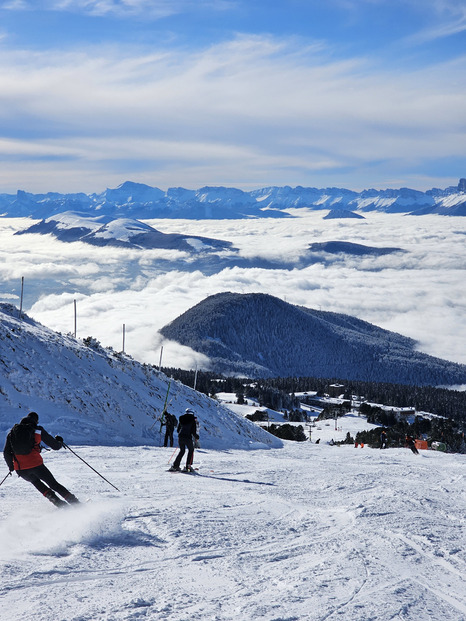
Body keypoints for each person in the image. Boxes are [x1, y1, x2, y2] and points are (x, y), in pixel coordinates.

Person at [3, 411, 79, 507]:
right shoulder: (37, 430)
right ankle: (76, 504)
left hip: (21, 469)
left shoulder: (12, 433)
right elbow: (55, 446)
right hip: (36, 465)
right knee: (53, 484)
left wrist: (11, 466)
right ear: (36, 421)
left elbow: (6, 452)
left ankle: (60, 504)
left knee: (36, 482)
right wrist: (59, 442)